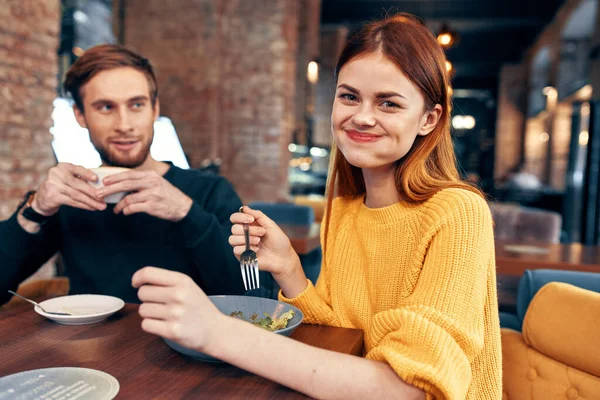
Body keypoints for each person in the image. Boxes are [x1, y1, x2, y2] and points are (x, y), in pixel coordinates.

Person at [132, 14, 502, 399]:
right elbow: (340, 333)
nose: (361, 116)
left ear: (429, 118)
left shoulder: (458, 212)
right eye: (349, 96)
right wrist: (289, 266)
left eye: (388, 103)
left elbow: (406, 390)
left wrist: (219, 332)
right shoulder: (346, 209)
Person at [0, 44, 245, 305]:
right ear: (80, 115)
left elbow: (252, 300)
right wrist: (34, 210)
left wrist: (187, 213)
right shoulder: (70, 197)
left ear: (155, 109)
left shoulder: (211, 191)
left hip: (184, 344)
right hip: (86, 344)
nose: (124, 125)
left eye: (136, 105)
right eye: (105, 107)